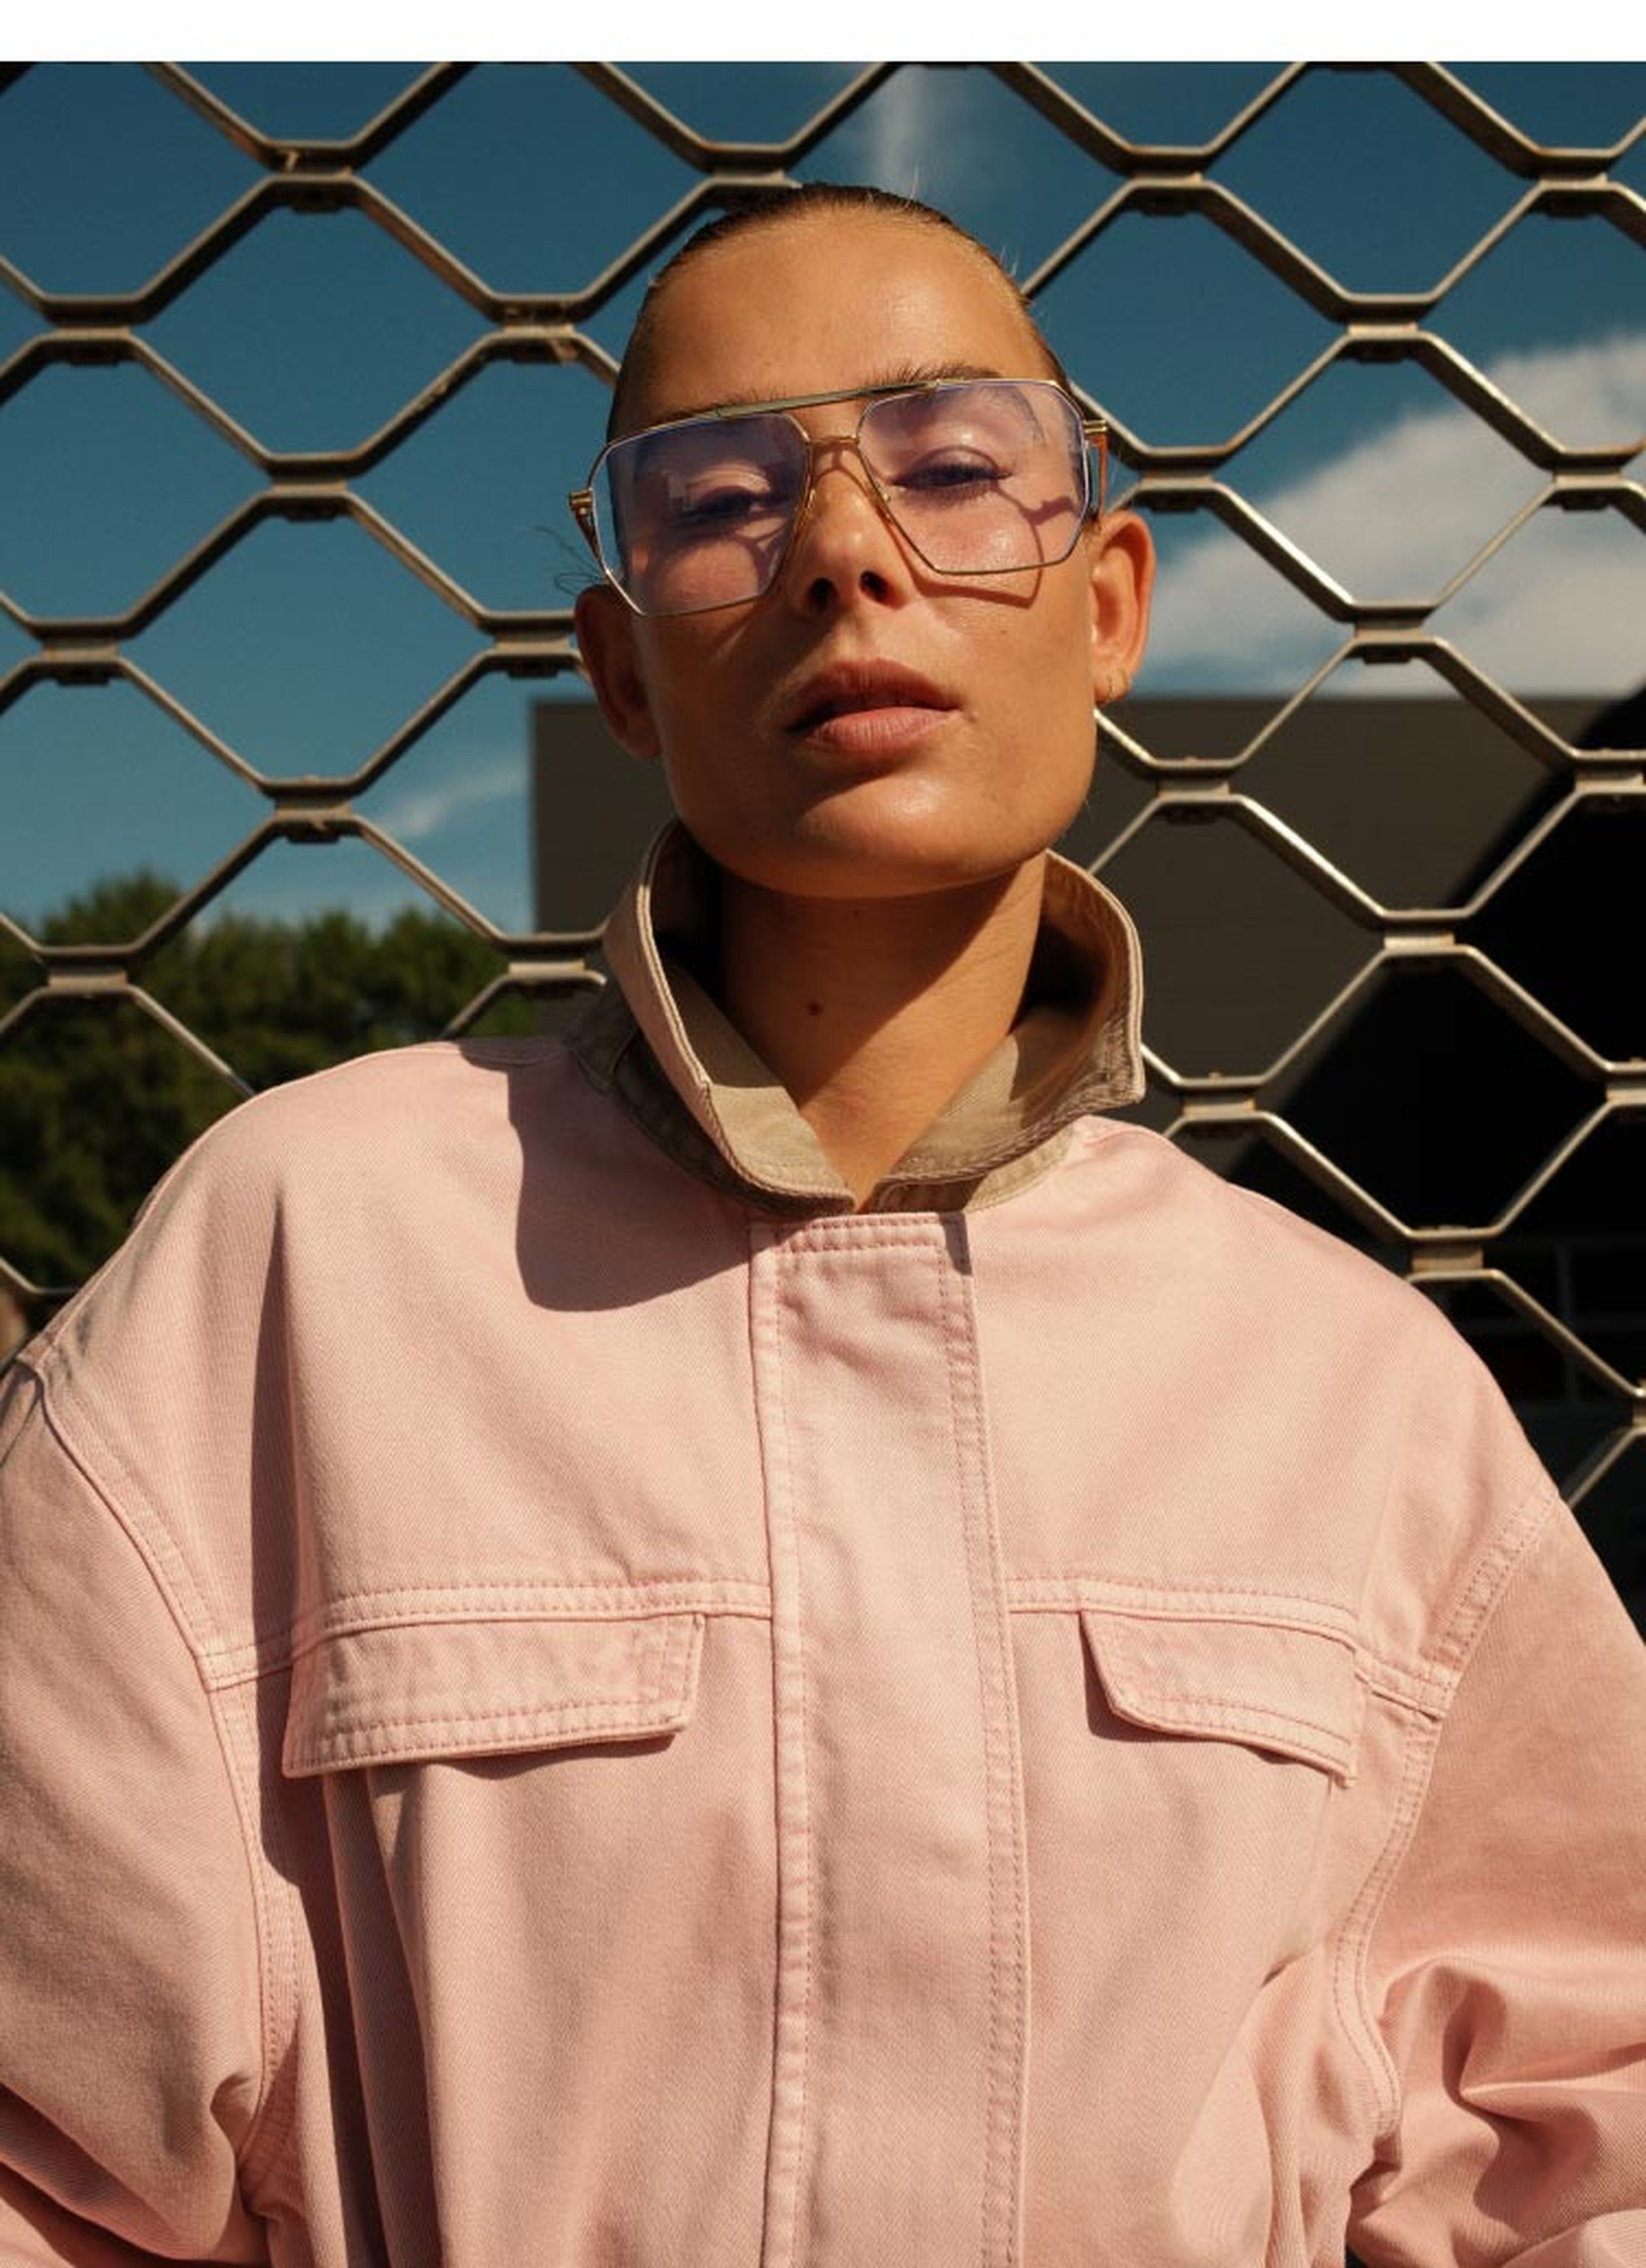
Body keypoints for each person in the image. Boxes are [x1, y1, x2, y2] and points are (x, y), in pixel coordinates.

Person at [0, 183, 1641, 2268]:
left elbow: (1586, 2143)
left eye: (954, 469)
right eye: (720, 502)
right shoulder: (291, 1269)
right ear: (621, 668)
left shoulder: (1359, 1396)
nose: (846, 555)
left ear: (1109, 600)